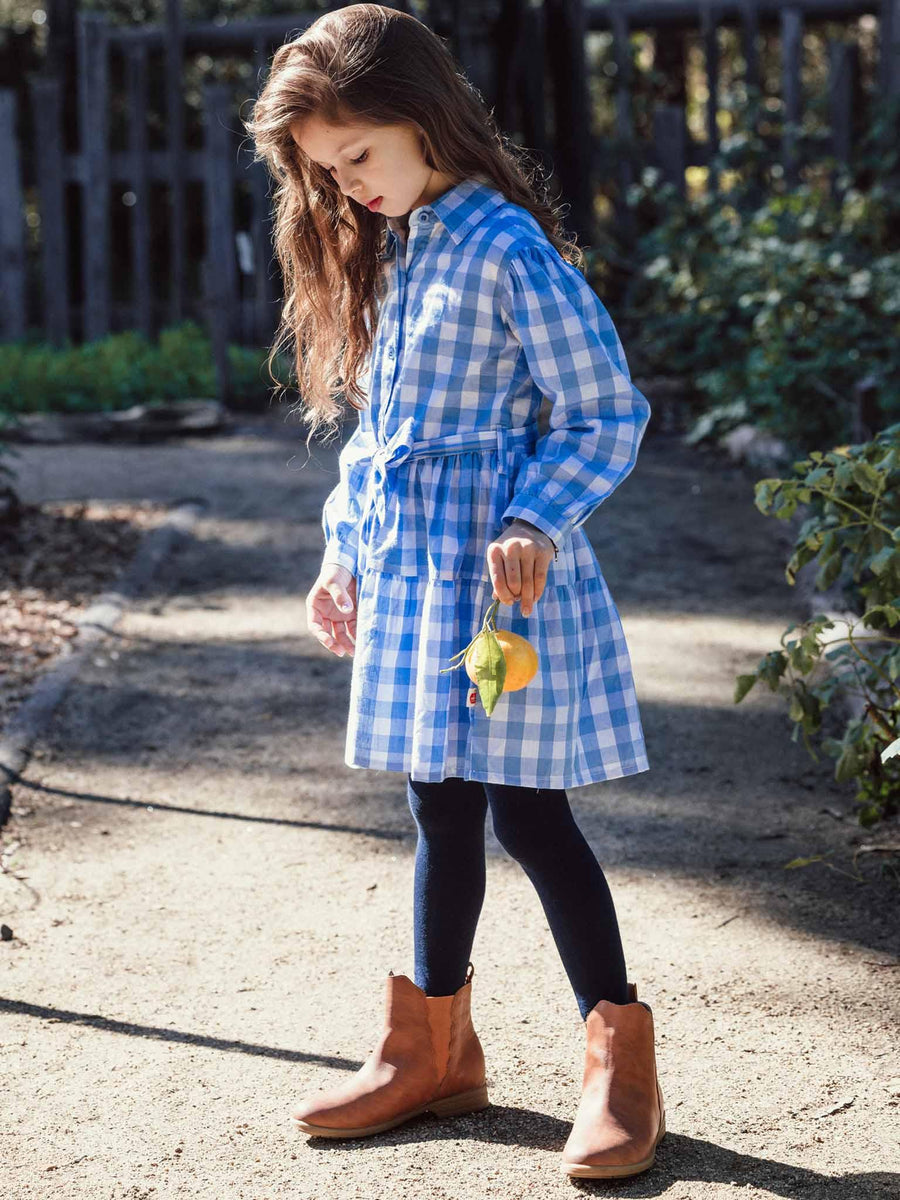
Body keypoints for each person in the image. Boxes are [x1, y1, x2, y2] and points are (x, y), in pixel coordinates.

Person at [245, 4, 664, 1180]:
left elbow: (603, 412)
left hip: (501, 592)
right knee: (437, 803)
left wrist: (535, 516)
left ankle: (620, 1064)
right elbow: (384, 440)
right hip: (414, 583)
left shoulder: (507, 249)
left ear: (423, 117)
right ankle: (433, 1052)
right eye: (331, 171)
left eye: (359, 155)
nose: (351, 186)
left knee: (529, 814)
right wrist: (343, 556)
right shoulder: (402, 248)